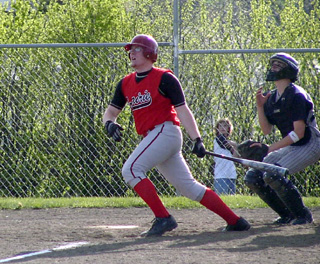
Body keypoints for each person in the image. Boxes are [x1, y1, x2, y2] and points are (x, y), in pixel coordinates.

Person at [103, 34, 250, 237]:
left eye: (137, 49)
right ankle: (236, 221)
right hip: (154, 137)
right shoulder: (125, 83)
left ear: (149, 52)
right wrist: (109, 124)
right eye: (131, 50)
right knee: (189, 188)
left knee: (131, 169)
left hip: (166, 131)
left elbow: (183, 110)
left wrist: (196, 138)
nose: (131, 53)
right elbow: (111, 112)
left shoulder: (165, 78)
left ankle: (163, 218)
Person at [244, 53, 320, 225]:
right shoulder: (272, 97)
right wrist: (260, 106)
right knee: (253, 177)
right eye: (273, 64)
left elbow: (299, 133)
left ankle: (303, 215)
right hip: (293, 145)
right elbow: (266, 130)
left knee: (273, 175)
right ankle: (287, 215)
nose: (273, 68)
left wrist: (269, 149)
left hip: (310, 143)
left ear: (289, 70)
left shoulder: (296, 94)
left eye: (278, 65)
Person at [213, 118, 238, 195]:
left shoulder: (230, 142)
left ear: (229, 128)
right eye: (220, 126)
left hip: (231, 174)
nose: (223, 128)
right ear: (217, 129)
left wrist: (236, 147)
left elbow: (235, 157)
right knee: (222, 198)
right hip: (221, 175)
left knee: (231, 199)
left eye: (225, 126)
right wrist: (236, 146)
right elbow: (231, 148)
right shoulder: (219, 139)